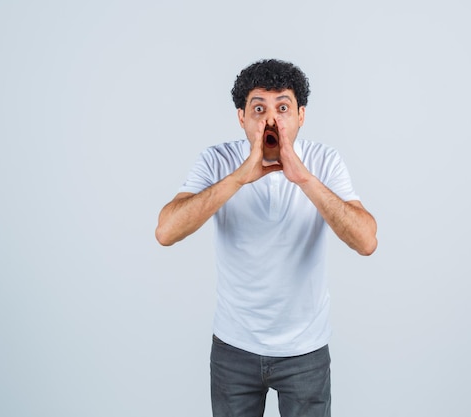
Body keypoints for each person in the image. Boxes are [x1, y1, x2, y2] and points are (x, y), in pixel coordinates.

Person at [155, 59, 377, 417]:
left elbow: (366, 241)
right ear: (241, 117)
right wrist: (239, 178)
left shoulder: (324, 161)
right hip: (234, 349)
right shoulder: (217, 160)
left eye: (283, 108)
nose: (271, 120)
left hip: (305, 350)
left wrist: (303, 178)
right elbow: (166, 231)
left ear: (301, 116)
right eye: (259, 109)